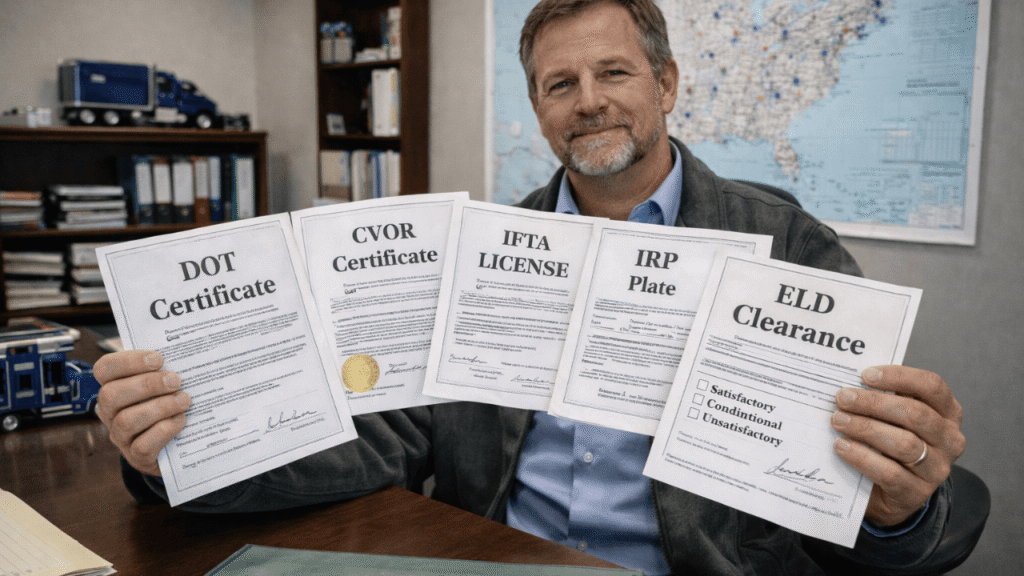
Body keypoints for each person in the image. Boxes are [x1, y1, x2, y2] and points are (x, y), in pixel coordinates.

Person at [93, 1, 966, 574]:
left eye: (614, 73)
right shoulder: (478, 251)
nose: (588, 101)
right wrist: (176, 455)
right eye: (559, 85)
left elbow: (866, 497)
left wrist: (899, 508)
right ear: (540, 108)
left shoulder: (784, 243)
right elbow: (380, 442)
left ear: (664, 85)